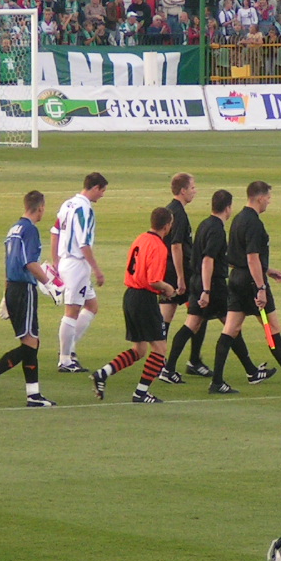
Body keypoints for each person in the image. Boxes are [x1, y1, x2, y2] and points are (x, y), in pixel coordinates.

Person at [210, 181, 281, 395]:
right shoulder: (253, 223)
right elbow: (252, 257)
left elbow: (238, 257)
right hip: (252, 284)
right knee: (271, 329)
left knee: (230, 330)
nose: (269, 202)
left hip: (237, 280)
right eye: (268, 198)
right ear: (260, 197)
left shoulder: (238, 219)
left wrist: (267, 269)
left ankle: (216, 382)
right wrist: (261, 288)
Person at [163, 190, 275, 394]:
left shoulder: (205, 224)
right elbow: (208, 260)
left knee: (193, 324)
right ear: (228, 208)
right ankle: (242, 374)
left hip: (197, 281)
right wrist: (207, 290)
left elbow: (221, 259)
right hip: (212, 285)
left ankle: (168, 368)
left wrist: (267, 270)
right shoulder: (217, 230)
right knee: (231, 327)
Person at [0, 190, 59, 408]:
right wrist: (49, 284)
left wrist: (6, 294)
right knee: (30, 344)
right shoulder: (30, 230)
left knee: (31, 341)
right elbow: (30, 263)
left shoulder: (13, 229)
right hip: (23, 289)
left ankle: (33, 394)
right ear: (40, 208)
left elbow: (9, 262)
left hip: (12, 288)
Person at [89, 207, 176, 403]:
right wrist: (168, 288)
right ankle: (141, 393)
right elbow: (154, 280)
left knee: (139, 349)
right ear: (167, 226)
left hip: (130, 296)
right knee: (160, 348)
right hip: (144, 298)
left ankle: (102, 374)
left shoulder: (140, 239)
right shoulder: (159, 246)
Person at [50, 172, 108, 373]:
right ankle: (65, 359)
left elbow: (55, 232)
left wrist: (56, 261)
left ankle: (69, 348)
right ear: (95, 188)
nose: (102, 195)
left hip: (66, 262)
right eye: (102, 191)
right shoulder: (85, 209)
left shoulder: (67, 204)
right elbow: (84, 244)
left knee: (91, 306)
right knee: (72, 311)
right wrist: (97, 270)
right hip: (77, 265)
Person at [156, 172, 197, 384]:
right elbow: (176, 246)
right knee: (198, 312)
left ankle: (161, 363)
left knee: (166, 319)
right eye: (192, 188)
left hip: (166, 269)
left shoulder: (169, 209)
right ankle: (173, 364)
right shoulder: (178, 214)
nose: (195, 191)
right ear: (182, 190)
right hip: (176, 272)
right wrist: (181, 277)